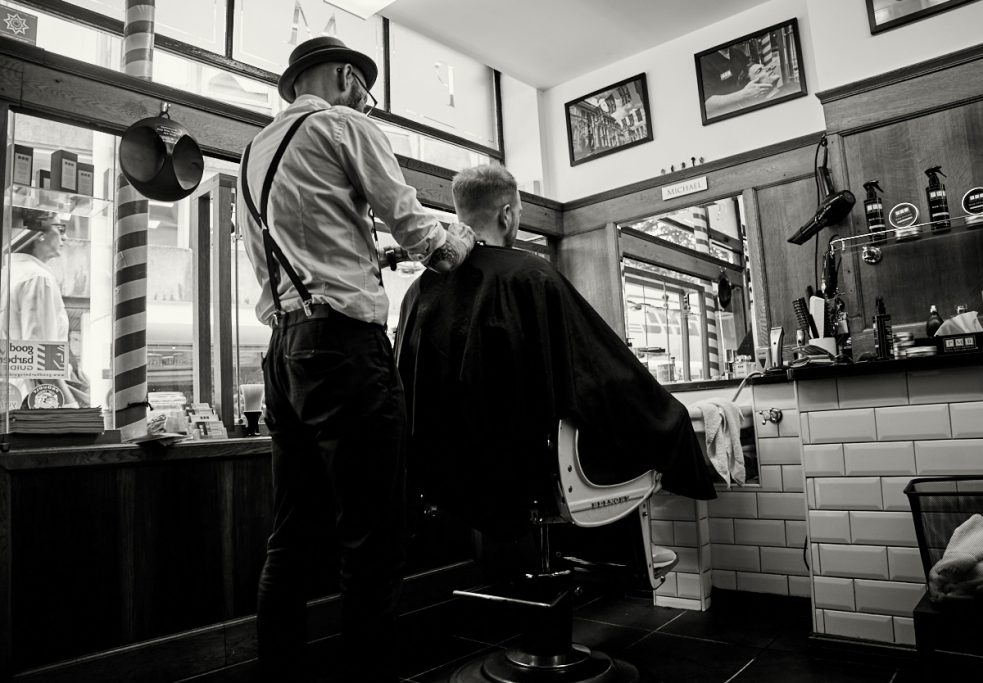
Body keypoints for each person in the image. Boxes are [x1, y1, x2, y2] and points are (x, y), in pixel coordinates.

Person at [236, 36, 476, 683]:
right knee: (373, 541)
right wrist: (461, 236)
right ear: (346, 78)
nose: (366, 102)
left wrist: (366, 261)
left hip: (284, 353)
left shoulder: (251, 154)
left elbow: (288, 253)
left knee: (289, 538)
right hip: (343, 351)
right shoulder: (345, 124)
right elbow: (423, 233)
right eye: (364, 90)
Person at [394, 165, 716, 543]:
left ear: (459, 215)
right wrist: (668, 417)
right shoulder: (530, 276)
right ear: (508, 214)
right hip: (521, 470)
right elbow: (596, 372)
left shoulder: (418, 292)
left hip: (443, 477)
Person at [2, 208, 88, 408]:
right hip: (36, 398)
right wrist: (70, 408)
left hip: (14, 395)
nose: (65, 237)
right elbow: (40, 358)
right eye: (60, 228)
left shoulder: (9, 273)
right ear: (39, 235)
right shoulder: (38, 278)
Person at [701, 44, 777, 119]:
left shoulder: (737, 52)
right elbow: (707, 105)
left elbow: (749, 69)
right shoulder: (705, 63)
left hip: (745, 105)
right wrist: (743, 95)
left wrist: (764, 69)